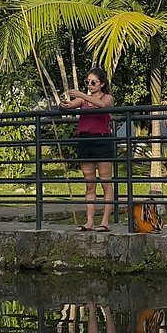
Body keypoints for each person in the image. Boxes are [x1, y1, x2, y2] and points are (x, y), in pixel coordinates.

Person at [60, 67, 115, 231]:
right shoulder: (83, 100)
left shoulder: (107, 97)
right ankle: (89, 221)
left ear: (102, 84)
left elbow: (102, 105)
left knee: (106, 183)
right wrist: (64, 104)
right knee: (90, 185)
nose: (90, 85)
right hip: (85, 140)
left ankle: (105, 221)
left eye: (93, 82)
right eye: (88, 82)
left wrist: (82, 95)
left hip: (102, 141)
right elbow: (70, 105)